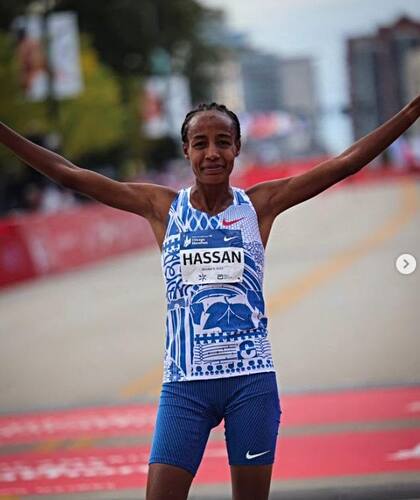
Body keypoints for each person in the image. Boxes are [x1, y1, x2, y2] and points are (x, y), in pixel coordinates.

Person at [1, 96, 419, 499]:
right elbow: (69, 174)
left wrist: (414, 109)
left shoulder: (260, 206)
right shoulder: (161, 208)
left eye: (223, 142)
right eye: (200, 143)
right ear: (186, 151)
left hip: (250, 385)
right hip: (185, 388)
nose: (212, 153)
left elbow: (345, 164)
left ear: (237, 148)